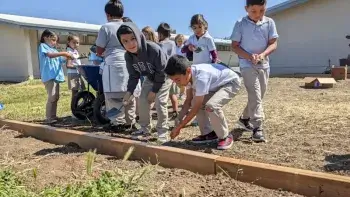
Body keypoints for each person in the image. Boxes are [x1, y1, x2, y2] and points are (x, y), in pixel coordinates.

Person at [165, 55, 241, 150]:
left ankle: (225, 136)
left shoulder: (201, 77)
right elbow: (188, 101)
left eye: (177, 80)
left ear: (188, 71)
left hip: (230, 82)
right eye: (174, 81)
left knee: (211, 106)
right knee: (194, 102)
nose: (177, 83)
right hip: (216, 85)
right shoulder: (188, 77)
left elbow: (196, 108)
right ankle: (209, 134)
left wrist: (180, 127)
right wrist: (179, 118)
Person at [231, 0, 279, 142]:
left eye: (262, 11)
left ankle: (245, 118)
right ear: (246, 9)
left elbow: (274, 43)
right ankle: (257, 127)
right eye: (254, 11)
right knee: (255, 94)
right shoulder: (240, 23)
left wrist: (263, 54)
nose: (258, 15)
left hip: (264, 64)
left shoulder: (269, 22)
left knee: (259, 95)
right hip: (246, 65)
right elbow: (234, 45)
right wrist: (248, 56)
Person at [117, 22, 172, 143]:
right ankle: (144, 128)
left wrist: (154, 91)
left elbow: (161, 72)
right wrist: (129, 92)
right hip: (149, 78)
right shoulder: (128, 56)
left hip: (164, 77)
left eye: (133, 39)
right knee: (142, 100)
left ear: (139, 36)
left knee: (159, 102)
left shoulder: (153, 49)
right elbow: (133, 76)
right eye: (125, 41)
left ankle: (163, 131)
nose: (130, 44)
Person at [96, 0, 140, 131]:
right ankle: (130, 122)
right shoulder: (130, 26)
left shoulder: (106, 27)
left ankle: (117, 122)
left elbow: (99, 50)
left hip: (113, 63)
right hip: (130, 61)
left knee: (113, 97)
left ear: (107, 14)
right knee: (130, 94)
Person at [38, 29, 73, 124]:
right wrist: (63, 53)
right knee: (52, 96)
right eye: (53, 40)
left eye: (55, 40)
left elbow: (60, 60)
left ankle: (53, 116)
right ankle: (49, 118)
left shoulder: (54, 50)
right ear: (45, 38)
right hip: (49, 76)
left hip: (55, 76)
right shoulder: (43, 46)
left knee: (56, 96)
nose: (55, 42)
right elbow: (50, 55)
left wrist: (68, 57)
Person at [157, 22, 179, 119]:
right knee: (172, 95)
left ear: (160, 33)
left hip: (163, 75)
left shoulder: (160, 44)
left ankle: (162, 116)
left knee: (161, 98)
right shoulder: (172, 43)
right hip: (172, 73)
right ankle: (175, 112)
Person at [66, 35, 85, 107]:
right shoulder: (69, 52)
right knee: (75, 93)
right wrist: (78, 66)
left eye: (77, 43)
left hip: (77, 73)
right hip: (73, 74)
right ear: (68, 42)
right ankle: (74, 110)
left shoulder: (75, 51)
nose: (76, 44)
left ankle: (78, 107)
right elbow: (68, 65)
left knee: (80, 92)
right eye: (74, 42)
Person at [174, 34, 187, 100]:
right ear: (176, 40)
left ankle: (182, 94)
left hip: (182, 66)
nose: (180, 41)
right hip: (174, 66)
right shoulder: (174, 47)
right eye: (178, 40)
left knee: (182, 80)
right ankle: (174, 93)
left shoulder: (184, 48)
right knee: (174, 80)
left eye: (181, 40)